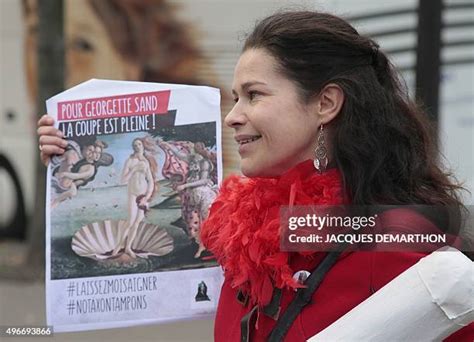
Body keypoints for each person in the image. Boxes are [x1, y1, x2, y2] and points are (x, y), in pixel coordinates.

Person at [37, 10, 472, 342]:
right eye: (234, 97)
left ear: (326, 104)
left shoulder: (394, 242)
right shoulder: (241, 219)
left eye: (253, 95)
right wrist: (70, 154)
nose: (232, 117)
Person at [158, 139, 217, 258]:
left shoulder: (204, 163)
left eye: (197, 147)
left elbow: (204, 180)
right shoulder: (191, 159)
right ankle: (200, 245)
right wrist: (167, 145)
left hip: (204, 194)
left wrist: (185, 185)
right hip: (193, 195)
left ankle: (208, 247)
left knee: (206, 221)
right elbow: (178, 154)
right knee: (194, 221)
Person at [111, 136, 159, 258]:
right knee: (131, 220)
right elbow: (122, 180)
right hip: (132, 193)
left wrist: (147, 197)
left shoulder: (146, 162)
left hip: (142, 195)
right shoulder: (130, 161)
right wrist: (134, 169)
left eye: (139, 144)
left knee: (137, 222)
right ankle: (118, 246)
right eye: (135, 145)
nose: (137, 147)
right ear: (133, 148)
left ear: (143, 146)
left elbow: (150, 181)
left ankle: (128, 247)